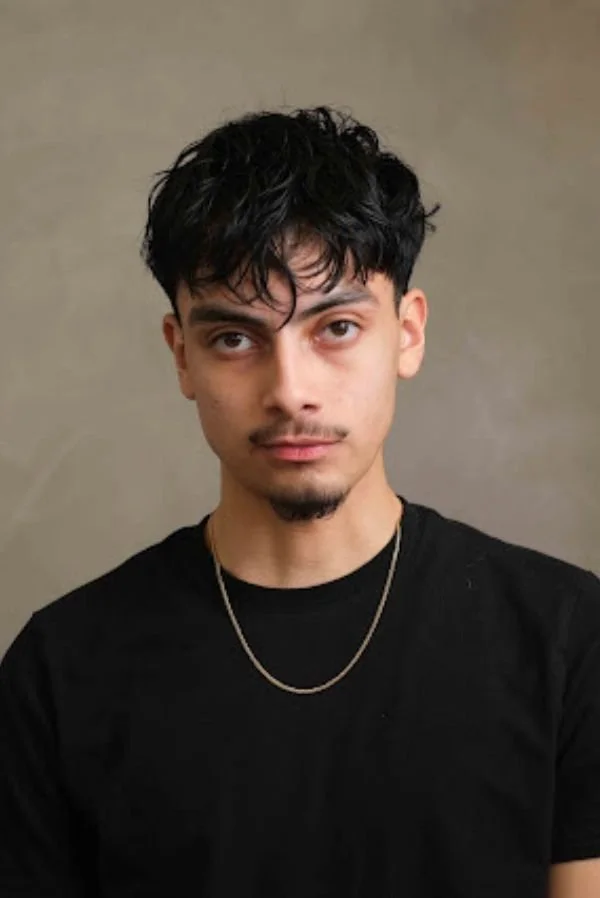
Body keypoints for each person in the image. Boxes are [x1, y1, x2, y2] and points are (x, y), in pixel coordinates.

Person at [1, 105, 599, 898]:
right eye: (235, 338)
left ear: (408, 334)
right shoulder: (60, 670)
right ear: (182, 356)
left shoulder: (567, 640)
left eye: (336, 327)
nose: (290, 390)